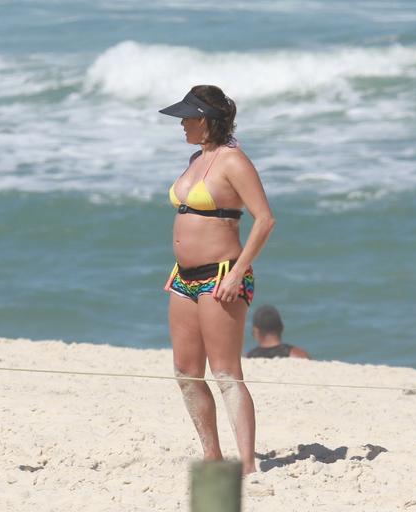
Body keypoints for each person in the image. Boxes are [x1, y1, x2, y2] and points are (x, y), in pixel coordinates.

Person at [160, 85, 275, 475]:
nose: (181, 125)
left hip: (223, 276)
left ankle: (247, 465)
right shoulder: (196, 158)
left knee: (226, 374)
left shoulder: (234, 161)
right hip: (184, 278)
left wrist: (239, 271)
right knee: (186, 372)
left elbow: (264, 219)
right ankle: (211, 456)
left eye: (187, 118)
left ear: (205, 120)